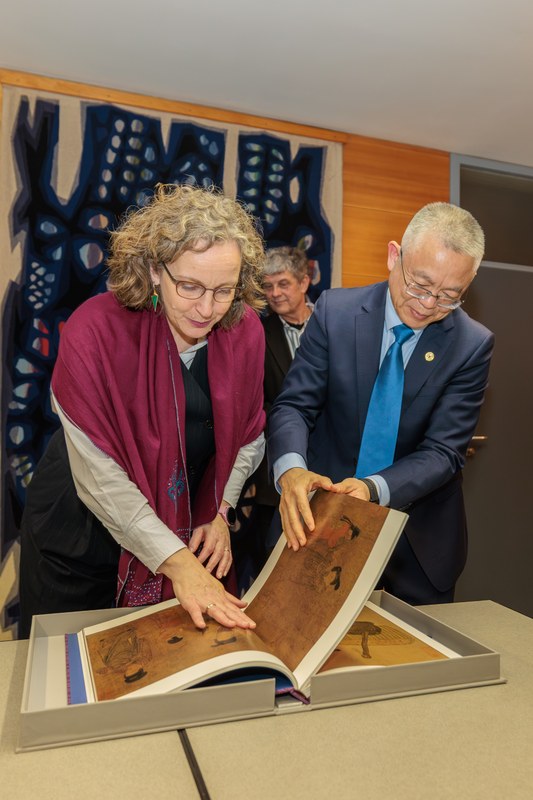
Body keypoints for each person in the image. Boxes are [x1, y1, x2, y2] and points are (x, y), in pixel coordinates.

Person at [18, 183, 266, 637]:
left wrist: (219, 512)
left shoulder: (244, 331)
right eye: (190, 286)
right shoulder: (95, 331)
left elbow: (249, 436)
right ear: (155, 270)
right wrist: (178, 563)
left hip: (184, 520)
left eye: (224, 290)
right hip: (82, 530)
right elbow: (98, 475)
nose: (207, 308)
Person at [267, 202, 494, 605]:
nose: (427, 305)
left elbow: (444, 451)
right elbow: (294, 406)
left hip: (418, 539)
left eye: (449, 296)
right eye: (419, 285)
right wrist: (292, 471)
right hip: (319, 521)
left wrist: (373, 489)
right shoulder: (335, 313)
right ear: (395, 256)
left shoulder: (471, 344)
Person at [235, 246, 313, 584]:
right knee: (274, 558)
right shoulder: (256, 334)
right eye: (268, 287)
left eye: (283, 284)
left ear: (304, 282)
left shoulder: (333, 327)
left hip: (330, 462)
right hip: (274, 465)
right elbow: (253, 400)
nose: (275, 294)